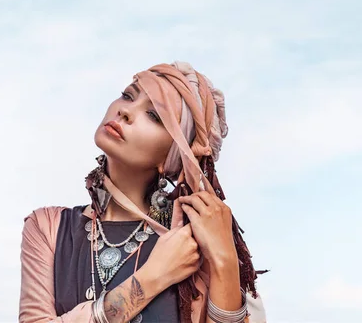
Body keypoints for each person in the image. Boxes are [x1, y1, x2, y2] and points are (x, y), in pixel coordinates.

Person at [19, 62, 267, 323]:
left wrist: (224, 259)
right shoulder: (48, 228)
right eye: (128, 95)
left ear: (172, 155)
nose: (125, 111)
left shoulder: (192, 240)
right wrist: (153, 277)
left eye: (154, 116)